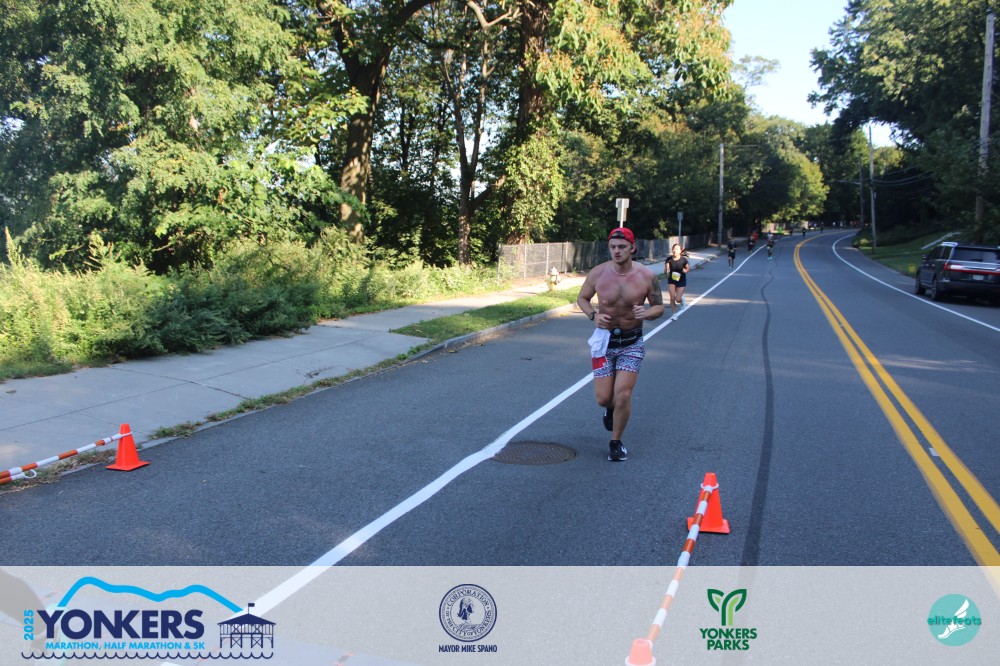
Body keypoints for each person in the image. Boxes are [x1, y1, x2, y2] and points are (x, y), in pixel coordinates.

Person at [577, 227, 664, 462]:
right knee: (604, 399)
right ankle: (610, 409)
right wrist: (593, 315)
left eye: (622, 247)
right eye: (613, 247)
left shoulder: (646, 276)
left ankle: (615, 442)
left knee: (623, 394)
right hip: (604, 344)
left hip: (631, 343)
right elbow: (582, 298)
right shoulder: (598, 273)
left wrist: (647, 313)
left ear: (632, 248)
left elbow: (659, 307)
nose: (616, 251)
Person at [664, 243, 690, 314]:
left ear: (680, 251)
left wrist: (685, 270)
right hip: (672, 280)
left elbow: (688, 268)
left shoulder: (683, 260)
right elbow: (666, 270)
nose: (675, 250)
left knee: (677, 299)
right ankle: (674, 314)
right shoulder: (669, 259)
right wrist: (666, 271)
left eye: (677, 249)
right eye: (674, 249)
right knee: (672, 298)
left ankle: (681, 300)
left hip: (681, 280)